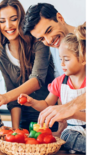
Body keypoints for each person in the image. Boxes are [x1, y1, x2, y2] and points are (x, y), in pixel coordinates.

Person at [0, 0, 56, 130]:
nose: (8, 26)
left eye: (13, 19)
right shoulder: (1, 55)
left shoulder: (39, 43)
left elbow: (37, 80)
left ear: (22, 20)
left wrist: (5, 96)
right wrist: (15, 129)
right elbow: (13, 101)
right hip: (24, 122)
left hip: (50, 119)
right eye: (2, 21)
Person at [18, 24, 86, 153]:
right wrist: (32, 102)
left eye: (66, 59)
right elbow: (47, 104)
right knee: (68, 137)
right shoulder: (59, 82)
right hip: (73, 131)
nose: (61, 64)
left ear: (83, 59)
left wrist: (70, 113)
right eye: (60, 59)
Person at [23, 3, 86, 127]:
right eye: (41, 39)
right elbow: (61, 95)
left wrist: (70, 108)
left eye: (49, 30)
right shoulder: (57, 50)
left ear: (60, 18)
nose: (49, 41)